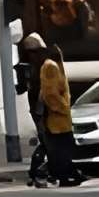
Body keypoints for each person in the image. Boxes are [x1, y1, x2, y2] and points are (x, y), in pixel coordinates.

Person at [30, 37, 81, 186]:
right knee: (59, 149)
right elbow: (50, 93)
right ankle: (61, 176)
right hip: (56, 119)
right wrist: (63, 107)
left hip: (60, 118)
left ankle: (68, 175)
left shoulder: (54, 65)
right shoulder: (50, 66)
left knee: (60, 149)